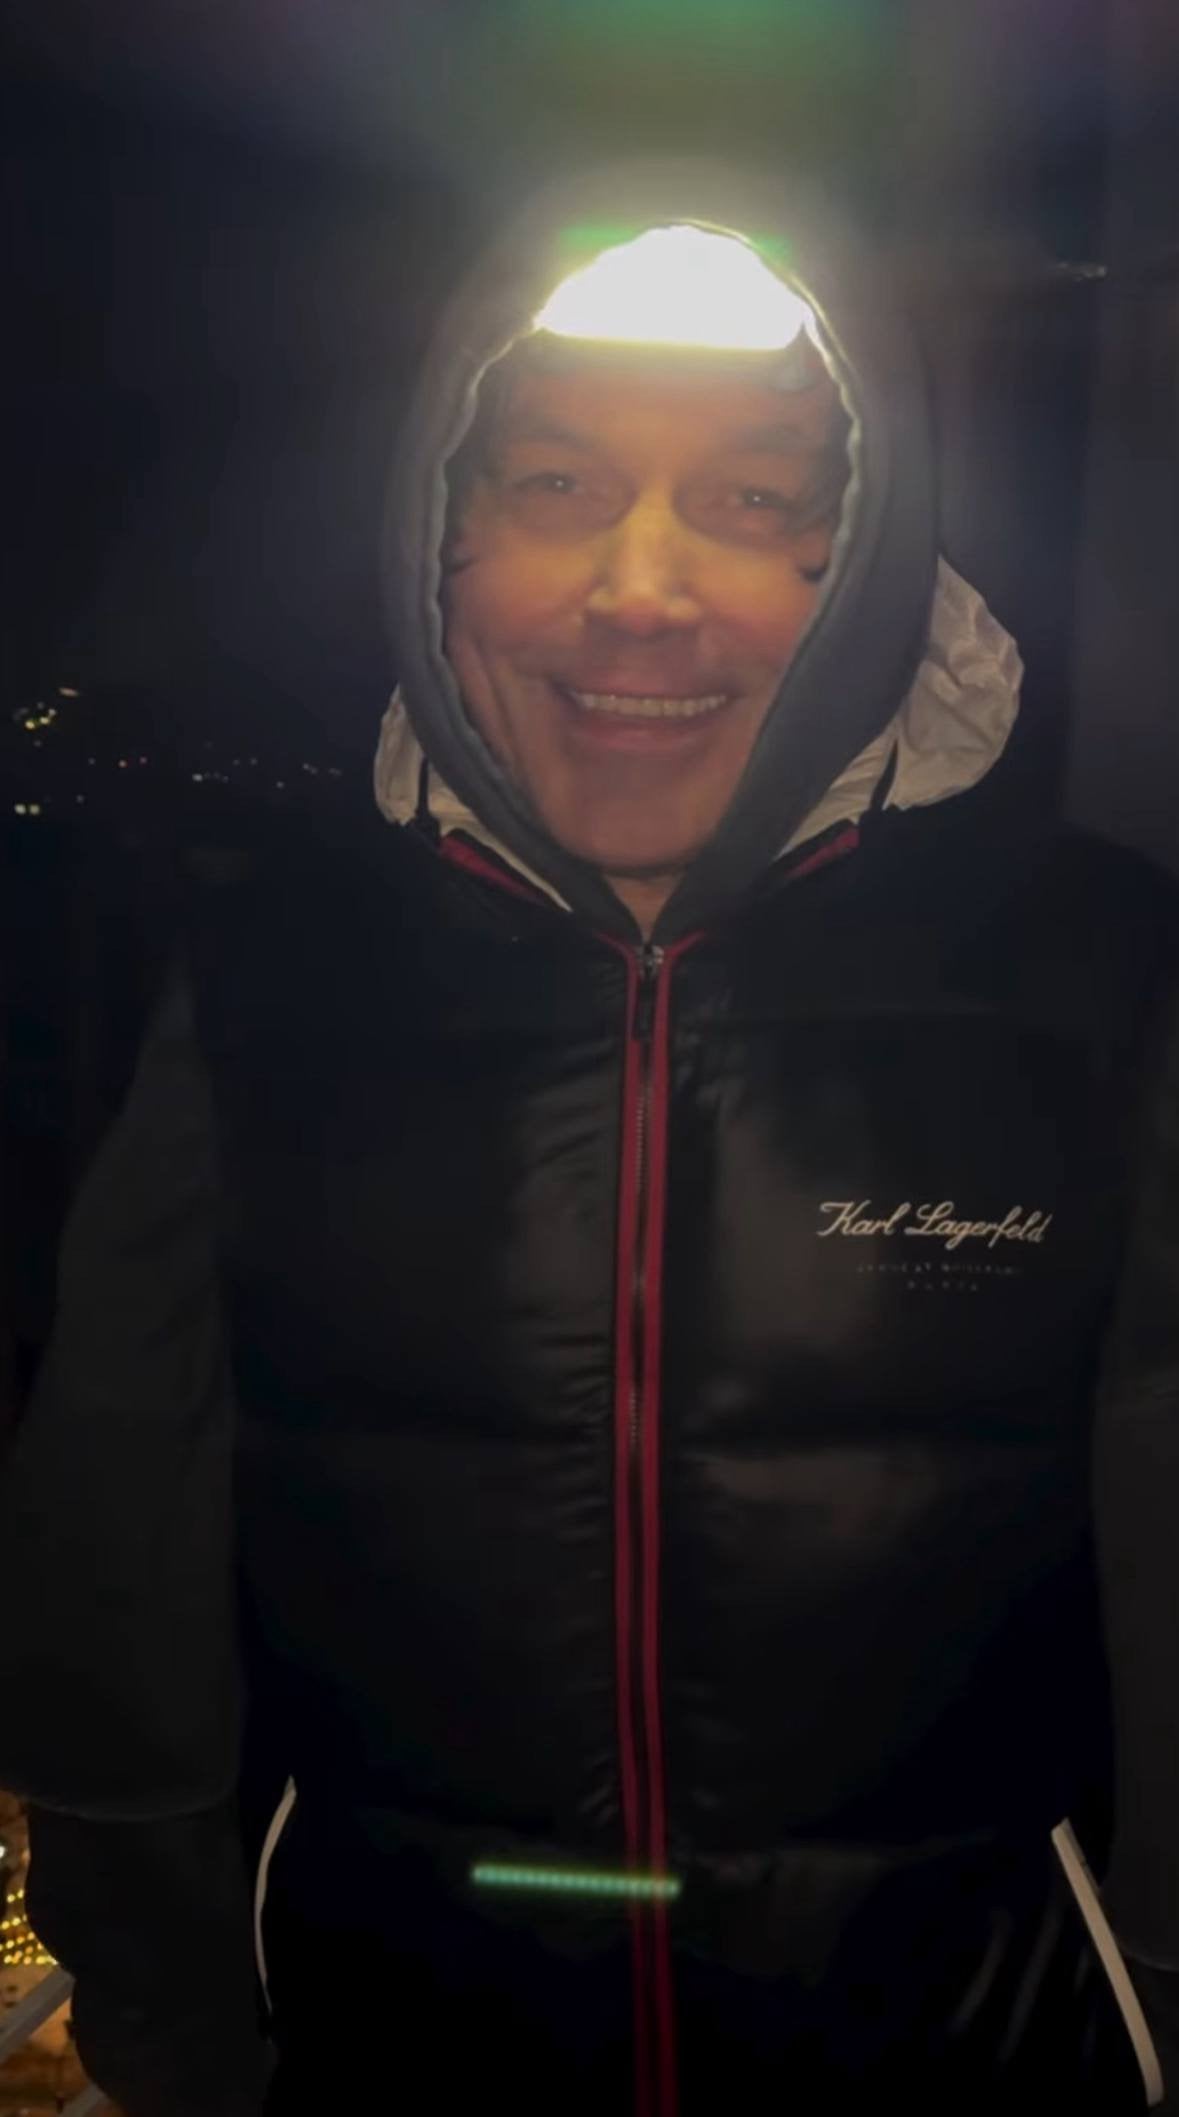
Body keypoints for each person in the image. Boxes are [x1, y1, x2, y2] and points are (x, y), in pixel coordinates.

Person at [2, 161, 1178, 2116]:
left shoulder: (1106, 978)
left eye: (752, 500)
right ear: (441, 544)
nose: (640, 589)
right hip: (386, 2046)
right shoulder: (258, 984)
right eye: (553, 484)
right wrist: (167, 2008)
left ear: (864, 561)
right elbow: (116, 1556)